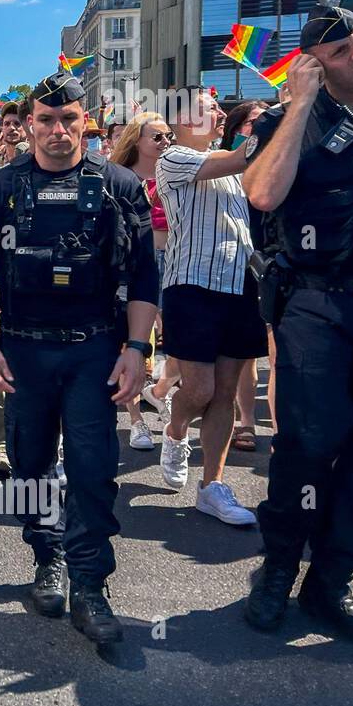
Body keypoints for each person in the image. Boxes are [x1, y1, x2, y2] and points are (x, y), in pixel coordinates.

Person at [0, 71, 157, 647]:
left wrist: (138, 349)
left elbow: (146, 273)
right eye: (44, 120)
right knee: (28, 463)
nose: (56, 130)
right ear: (26, 126)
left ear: (85, 122)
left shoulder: (120, 184)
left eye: (68, 119)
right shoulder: (0, 188)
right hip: (22, 346)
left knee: (94, 468)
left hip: (95, 347)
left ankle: (91, 583)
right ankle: (47, 554)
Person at [242, 5, 353, 640]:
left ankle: (332, 581)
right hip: (317, 300)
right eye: (342, 51)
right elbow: (263, 194)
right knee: (309, 444)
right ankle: (279, 570)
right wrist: (298, 105)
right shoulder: (291, 121)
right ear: (315, 64)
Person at [153, 87, 263, 526]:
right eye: (208, 108)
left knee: (225, 392)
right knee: (198, 391)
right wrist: (275, 124)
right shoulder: (173, 157)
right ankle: (175, 430)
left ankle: (211, 486)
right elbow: (239, 159)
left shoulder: (232, 165)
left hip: (240, 287)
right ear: (181, 121)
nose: (219, 113)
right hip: (192, 286)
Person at [110, 111, 173, 450]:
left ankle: (160, 390)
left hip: (176, 262)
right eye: (158, 137)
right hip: (136, 267)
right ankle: (136, 421)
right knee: (132, 344)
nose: (166, 143)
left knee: (177, 339)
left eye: (169, 137)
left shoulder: (177, 172)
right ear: (137, 142)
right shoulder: (120, 179)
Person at [220, 100, 276, 448]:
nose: (261, 127)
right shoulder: (222, 163)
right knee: (241, 355)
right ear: (238, 128)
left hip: (276, 260)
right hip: (237, 263)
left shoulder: (286, 155)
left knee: (274, 350)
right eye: (253, 122)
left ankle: (279, 433)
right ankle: (245, 422)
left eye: (267, 121)